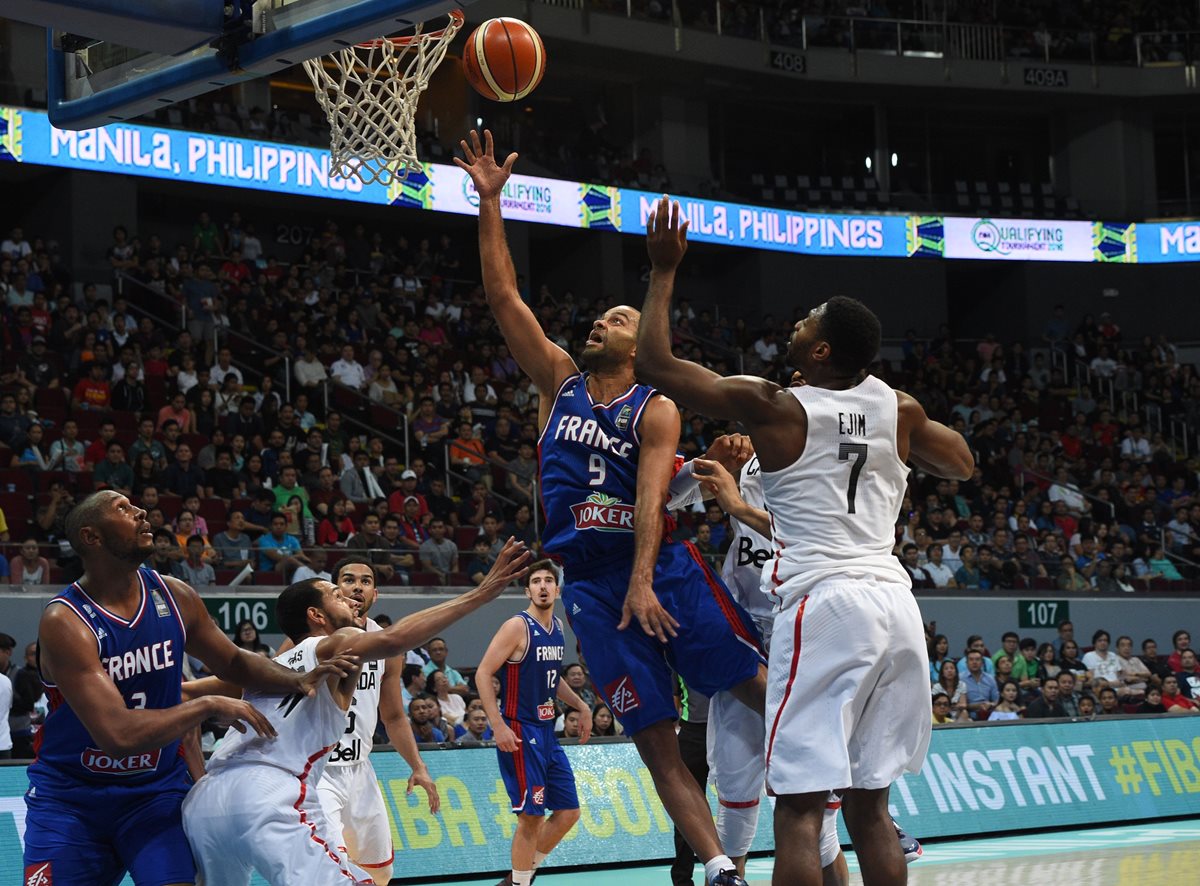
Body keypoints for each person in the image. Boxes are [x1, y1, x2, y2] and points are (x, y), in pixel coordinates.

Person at [633, 194, 973, 886]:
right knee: (870, 805)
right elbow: (961, 462)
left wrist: (664, 270)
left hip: (826, 604)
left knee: (798, 807)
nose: (795, 322)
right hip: (896, 605)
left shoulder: (778, 405)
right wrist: (889, 431)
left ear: (819, 350)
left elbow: (657, 367)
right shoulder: (896, 407)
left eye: (805, 321)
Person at [457, 131, 767, 886]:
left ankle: (847, 794)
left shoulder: (655, 406)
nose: (599, 323)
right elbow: (504, 298)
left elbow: (654, 502)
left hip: (659, 567)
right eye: (599, 318)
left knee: (759, 690)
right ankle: (721, 868)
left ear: (639, 346)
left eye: (618, 320)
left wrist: (641, 583)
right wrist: (490, 202)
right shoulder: (557, 383)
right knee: (657, 743)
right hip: (591, 588)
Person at [22, 490, 355, 885]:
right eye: (123, 509)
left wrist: (293, 678)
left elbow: (233, 661)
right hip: (72, 800)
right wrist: (206, 704)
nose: (141, 511)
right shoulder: (66, 621)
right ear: (92, 537)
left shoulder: (174, 595)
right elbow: (117, 734)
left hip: (154, 796)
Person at [181, 539, 530, 884]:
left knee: (376, 871)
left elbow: (182, 695)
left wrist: (199, 765)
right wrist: (480, 594)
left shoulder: (262, 665)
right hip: (274, 787)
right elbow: (395, 639)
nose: (348, 595)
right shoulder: (339, 641)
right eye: (336, 592)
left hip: (208, 799)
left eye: (361, 585)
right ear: (316, 616)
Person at [274, 555, 440, 886]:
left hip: (360, 769)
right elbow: (273, 693)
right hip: (317, 771)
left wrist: (418, 767)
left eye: (366, 581)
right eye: (348, 580)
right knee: (331, 868)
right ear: (334, 592)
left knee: (381, 873)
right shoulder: (306, 641)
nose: (357, 587)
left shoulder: (388, 647)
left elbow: (392, 716)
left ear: (374, 595)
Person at [475, 560, 593, 886]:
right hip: (519, 729)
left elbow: (552, 679)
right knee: (531, 817)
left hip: (547, 733)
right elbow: (484, 673)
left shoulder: (557, 626)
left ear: (557, 589)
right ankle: (521, 881)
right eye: (536, 581)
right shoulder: (517, 626)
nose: (542, 586)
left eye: (548, 581)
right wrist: (497, 724)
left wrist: (581, 705)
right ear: (527, 590)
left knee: (569, 812)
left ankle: (519, 876)